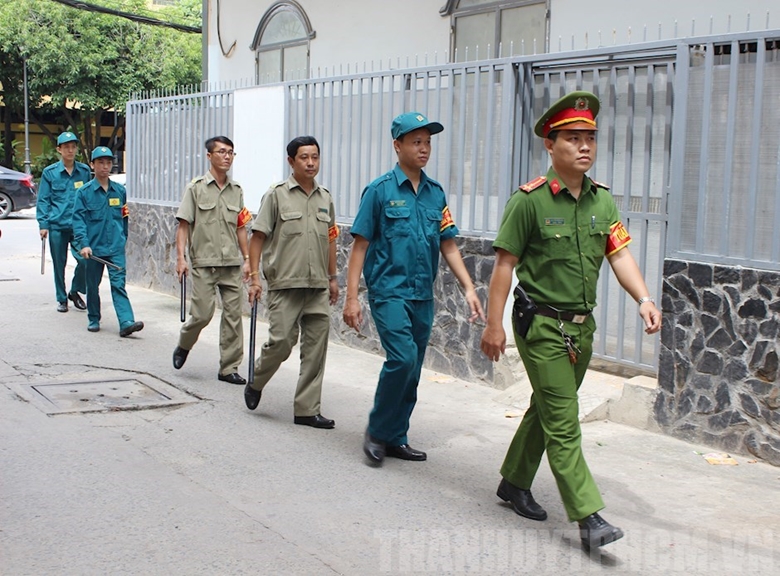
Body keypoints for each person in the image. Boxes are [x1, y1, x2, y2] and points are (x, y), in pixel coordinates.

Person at [479, 91, 662, 549]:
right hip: (540, 326)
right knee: (564, 420)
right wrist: (494, 324)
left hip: (582, 328)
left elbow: (619, 254)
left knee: (547, 407)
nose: (584, 146)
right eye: (573, 138)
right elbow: (504, 266)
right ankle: (589, 516)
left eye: (590, 138)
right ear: (550, 144)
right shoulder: (529, 202)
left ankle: (514, 481)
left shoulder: (603, 202)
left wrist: (642, 297)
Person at [343, 112, 485, 466]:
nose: (424, 149)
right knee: (401, 358)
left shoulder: (435, 194)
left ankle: (396, 436)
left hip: (423, 293)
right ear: (398, 145)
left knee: (414, 366)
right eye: (416, 142)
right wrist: (351, 297)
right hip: (388, 290)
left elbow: (448, 244)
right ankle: (377, 432)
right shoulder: (379, 191)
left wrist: (468, 287)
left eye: (428, 142)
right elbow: (360, 246)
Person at [244, 136, 339, 429]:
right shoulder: (276, 195)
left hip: (317, 287)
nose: (311, 163)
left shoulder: (325, 197)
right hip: (285, 285)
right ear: (291, 161)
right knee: (282, 343)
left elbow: (331, 240)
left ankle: (307, 409)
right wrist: (255, 278)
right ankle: (257, 380)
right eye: (304, 158)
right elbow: (257, 237)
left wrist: (333, 278)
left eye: (315, 157)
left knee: (316, 349)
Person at [172, 136, 252, 385]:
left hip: (230, 263)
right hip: (204, 263)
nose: (227, 156)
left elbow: (241, 228)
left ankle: (229, 367)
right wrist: (181, 258)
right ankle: (185, 343)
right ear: (209, 156)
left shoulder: (236, 190)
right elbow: (184, 225)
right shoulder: (195, 188)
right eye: (221, 152)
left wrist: (248, 259)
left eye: (231, 152)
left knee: (233, 317)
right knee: (202, 314)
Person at [72, 146, 144, 337]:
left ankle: (126, 321)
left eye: (109, 162)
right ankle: (94, 318)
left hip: (115, 248)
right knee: (92, 285)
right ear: (92, 165)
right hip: (93, 249)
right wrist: (83, 244)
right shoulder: (84, 193)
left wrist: (123, 238)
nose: (105, 166)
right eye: (101, 162)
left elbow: (124, 217)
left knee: (118, 284)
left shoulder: (119, 191)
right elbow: (78, 221)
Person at [36, 131, 90, 313]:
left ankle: (74, 292)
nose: (70, 150)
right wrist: (43, 224)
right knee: (59, 265)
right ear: (59, 149)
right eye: (66, 147)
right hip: (57, 225)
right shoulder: (50, 173)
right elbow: (43, 199)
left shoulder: (83, 171)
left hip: (78, 226)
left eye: (73, 146)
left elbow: (88, 197)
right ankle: (61, 298)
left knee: (85, 261)